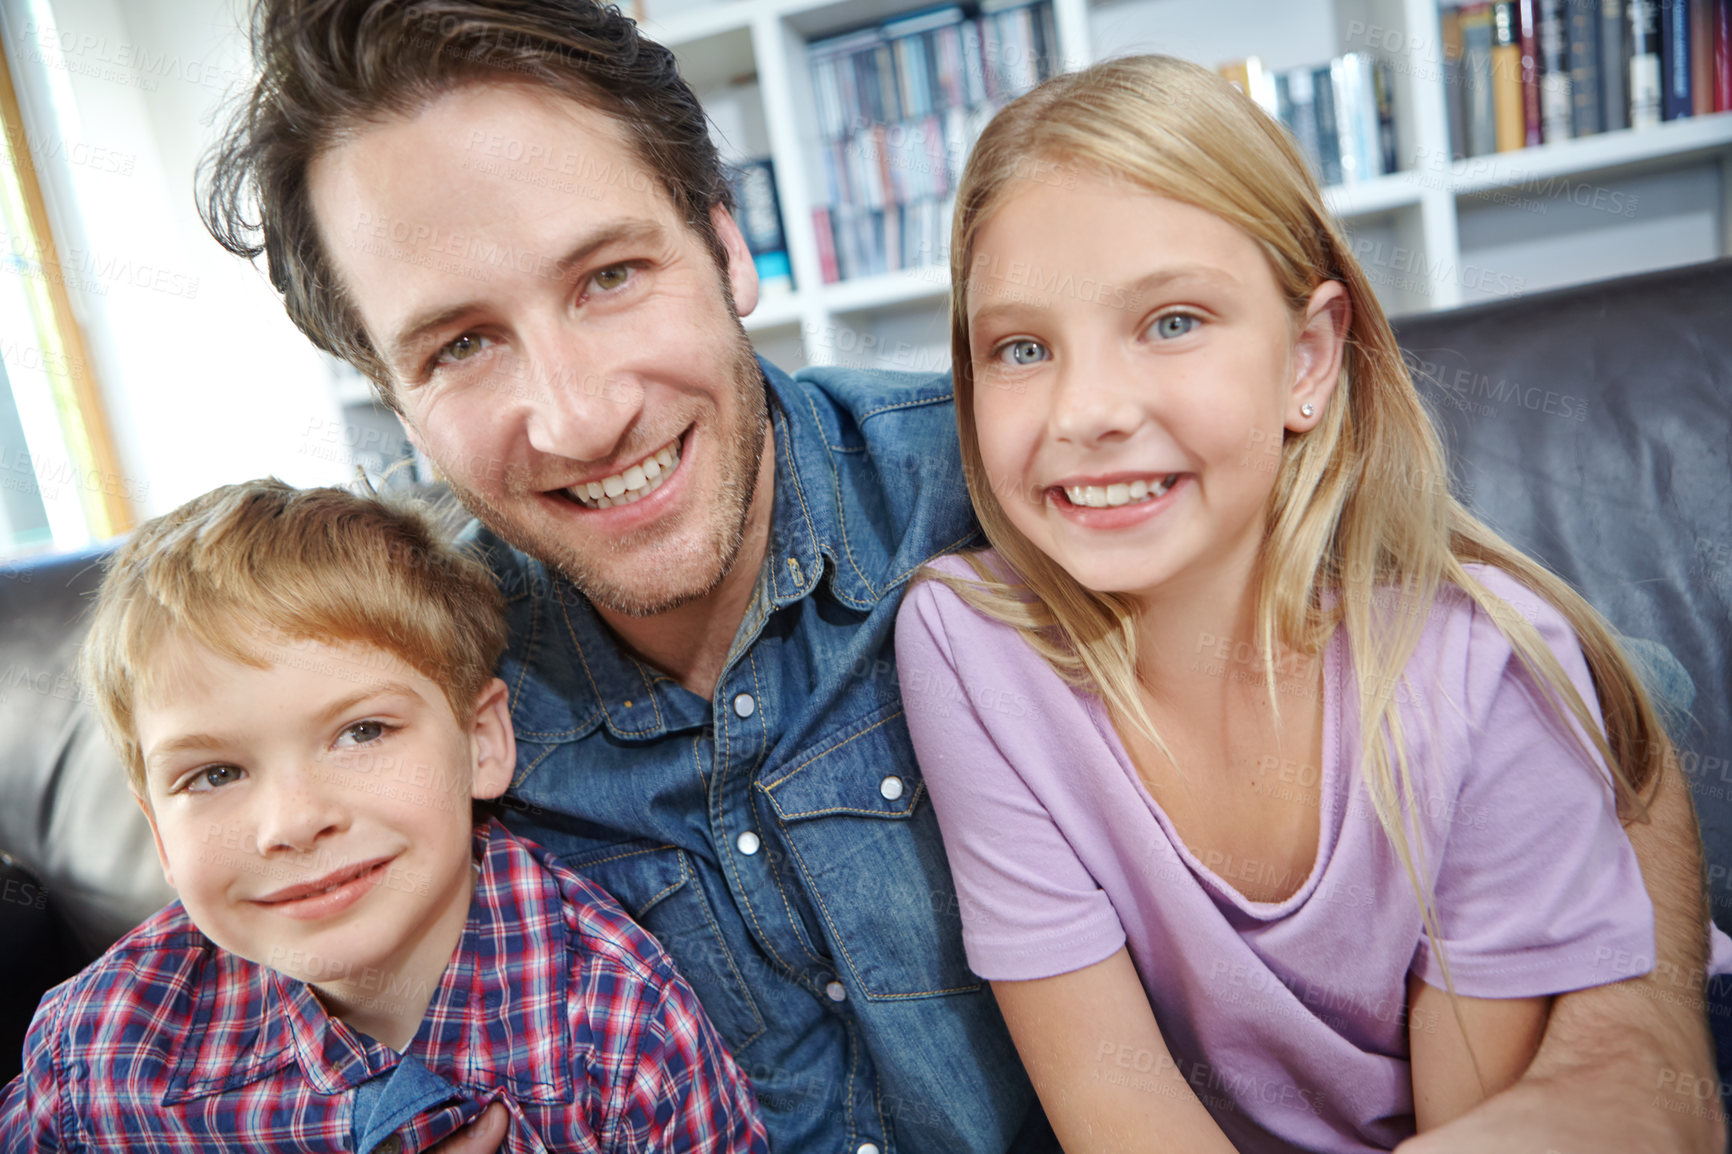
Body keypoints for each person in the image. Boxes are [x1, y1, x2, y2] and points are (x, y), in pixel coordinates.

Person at [198, 3, 1723, 1151]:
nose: (580, 410)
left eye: (611, 276)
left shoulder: (1028, 477)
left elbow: (1566, 691)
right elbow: (242, 926)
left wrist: (1636, 1053)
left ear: (728, 246)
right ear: (385, 395)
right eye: (459, 343)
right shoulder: (408, 685)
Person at [892, 54, 1729, 1153]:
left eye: (1173, 320)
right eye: (1021, 347)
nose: (1085, 407)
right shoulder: (967, 643)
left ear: (1308, 356)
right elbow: (1119, 1110)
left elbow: (1482, 1124)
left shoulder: (1483, 670)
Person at [0, 480, 766, 1153]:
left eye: (361, 732)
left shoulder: (620, 1025)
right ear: (159, 831)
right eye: (215, 774)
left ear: (481, 741)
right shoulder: (94, 1054)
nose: (293, 823)